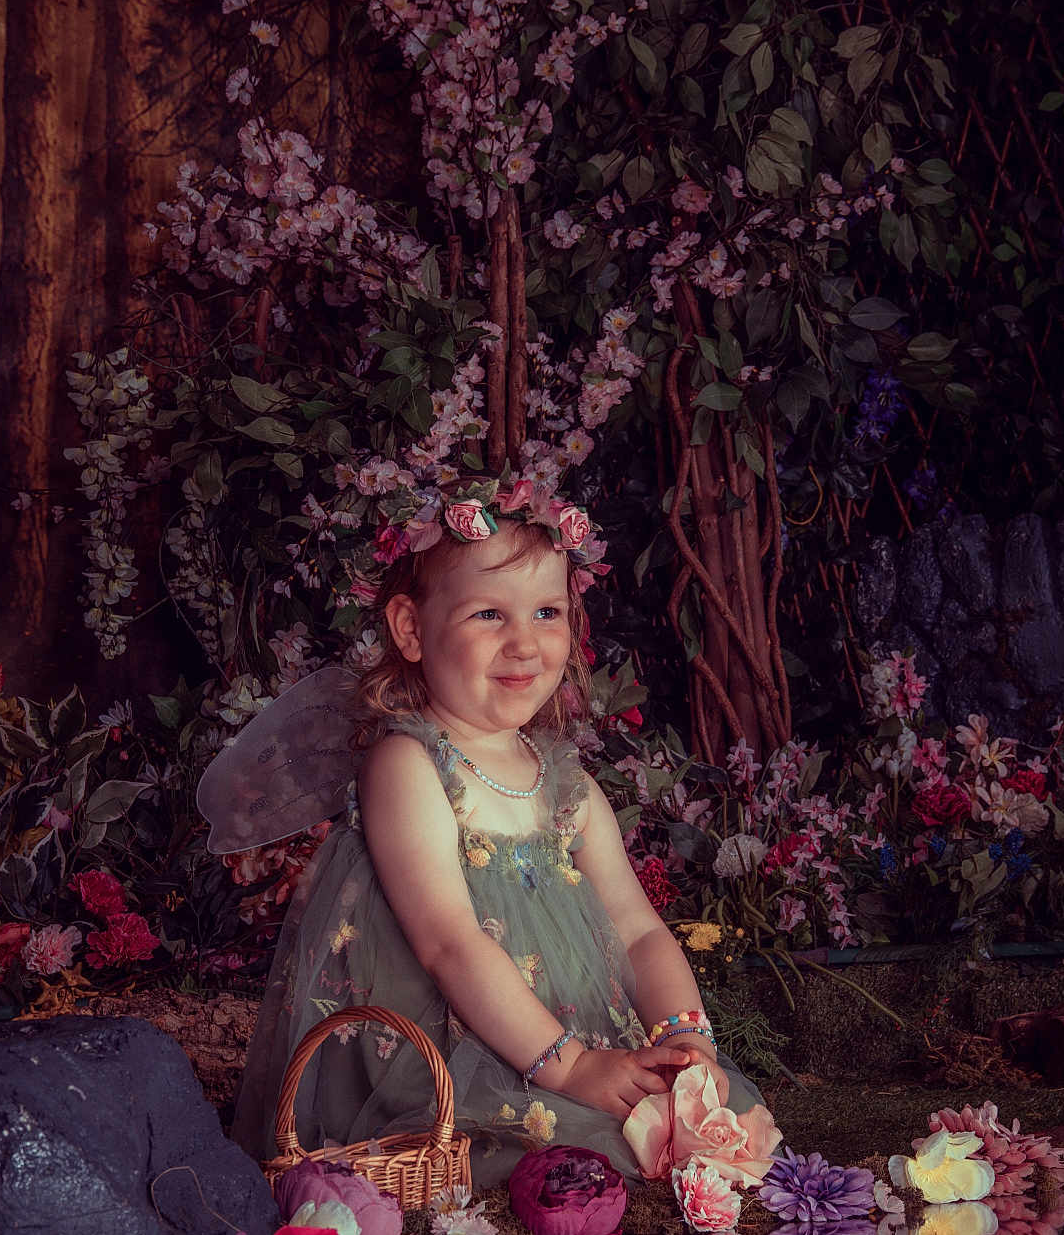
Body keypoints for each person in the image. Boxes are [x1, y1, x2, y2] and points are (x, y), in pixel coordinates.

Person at [211, 479, 773, 1183]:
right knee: (568, 1152)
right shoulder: (409, 766)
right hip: (449, 1054)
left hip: (570, 1043)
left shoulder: (567, 785)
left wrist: (685, 1036)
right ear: (411, 629)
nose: (525, 644)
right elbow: (450, 944)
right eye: (488, 615)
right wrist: (573, 1068)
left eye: (547, 612)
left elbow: (638, 931)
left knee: (689, 1127)